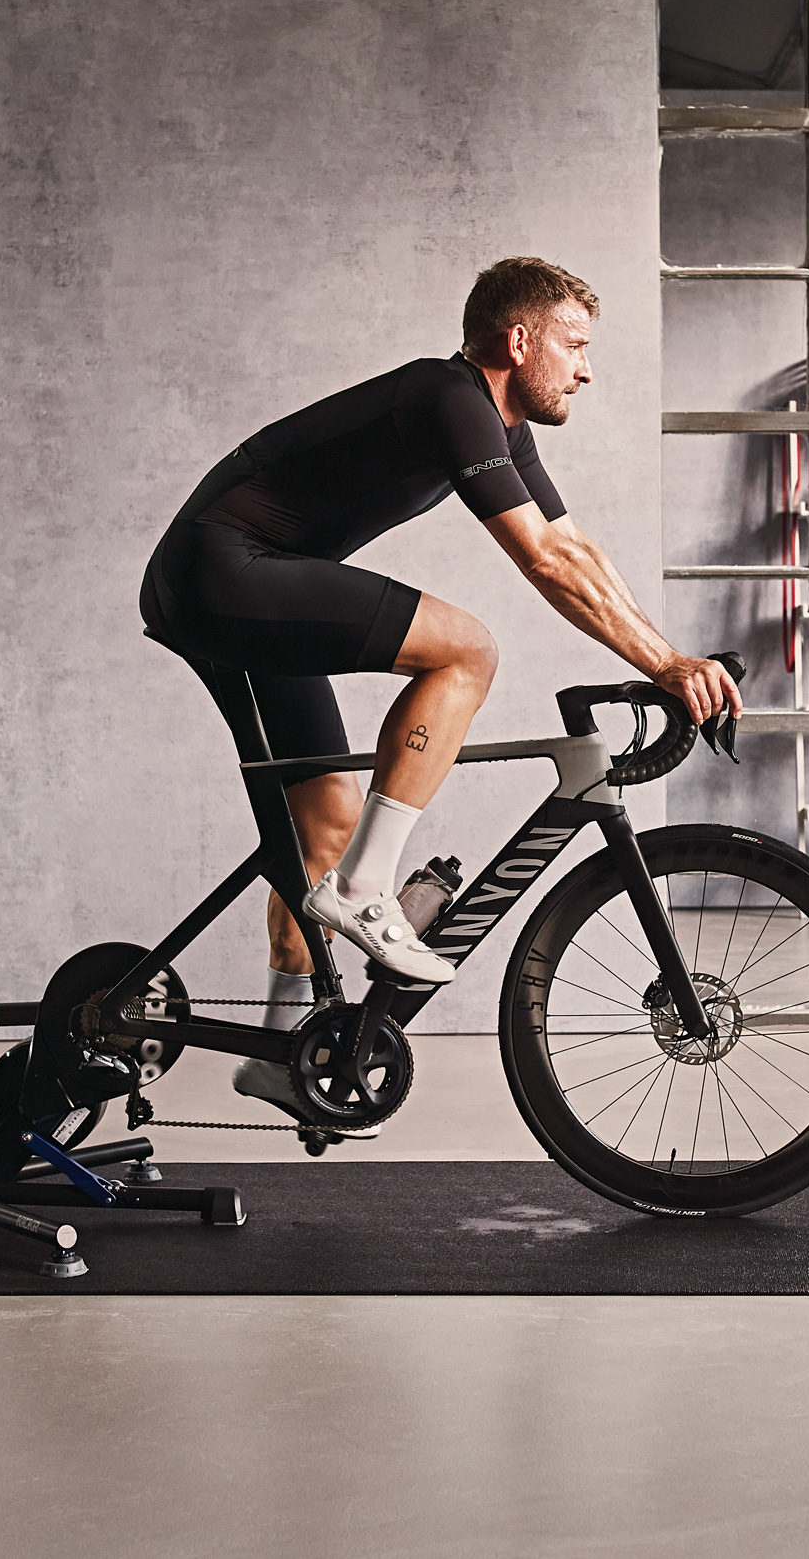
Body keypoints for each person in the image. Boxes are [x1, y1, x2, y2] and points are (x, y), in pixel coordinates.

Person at [140, 256, 741, 1115]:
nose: (587, 368)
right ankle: (364, 892)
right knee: (467, 651)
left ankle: (278, 1053)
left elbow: (576, 550)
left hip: (244, 581)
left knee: (327, 828)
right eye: (574, 345)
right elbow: (542, 561)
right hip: (220, 569)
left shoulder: (502, 427)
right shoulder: (446, 395)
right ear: (519, 340)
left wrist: (670, 657)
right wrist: (665, 667)